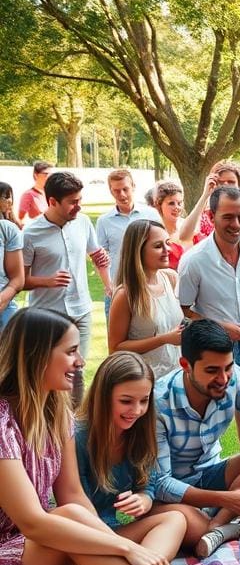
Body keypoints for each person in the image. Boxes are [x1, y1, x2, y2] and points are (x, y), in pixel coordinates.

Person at [0, 308, 240, 565]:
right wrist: (127, 548)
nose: (80, 362)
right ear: (37, 355)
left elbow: (73, 495)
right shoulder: (4, 423)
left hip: (36, 548)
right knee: (67, 515)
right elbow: (34, 522)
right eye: (71, 351)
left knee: (164, 516)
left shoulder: (56, 413)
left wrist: (117, 544)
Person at [74, 352, 204, 565]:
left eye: (144, 401)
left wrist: (144, 499)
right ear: (103, 396)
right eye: (126, 401)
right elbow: (75, 502)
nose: (136, 410)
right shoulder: (78, 436)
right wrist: (125, 546)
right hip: (88, 539)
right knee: (181, 520)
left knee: (176, 518)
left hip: (120, 532)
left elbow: (150, 482)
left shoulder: (138, 430)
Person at [151, 319, 240, 558]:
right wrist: (227, 499)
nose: (223, 378)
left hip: (212, 474)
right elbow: (161, 484)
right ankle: (226, 526)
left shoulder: (235, 378)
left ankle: (218, 527)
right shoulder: (157, 402)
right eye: (212, 371)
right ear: (185, 365)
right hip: (173, 495)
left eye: (228, 367)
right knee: (185, 525)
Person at [178, 185, 240, 450]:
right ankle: (201, 469)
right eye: (228, 217)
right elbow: (182, 309)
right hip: (208, 352)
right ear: (211, 216)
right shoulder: (194, 260)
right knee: (204, 415)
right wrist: (222, 329)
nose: (236, 223)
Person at [22, 171, 111, 405]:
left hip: (81, 311)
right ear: (52, 202)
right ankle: (45, 425)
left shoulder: (82, 223)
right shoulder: (30, 233)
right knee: (46, 374)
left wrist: (108, 284)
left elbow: (97, 255)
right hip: (48, 315)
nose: (79, 207)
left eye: (80, 200)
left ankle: (71, 427)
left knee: (77, 371)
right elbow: (20, 280)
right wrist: (47, 281)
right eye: (73, 202)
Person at [108, 220, 184, 379]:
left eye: (167, 243)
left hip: (176, 376)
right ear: (138, 251)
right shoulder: (126, 295)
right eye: (158, 246)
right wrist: (164, 339)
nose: (167, 250)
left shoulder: (171, 278)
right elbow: (115, 349)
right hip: (144, 380)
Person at [95, 168, 161, 319]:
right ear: (111, 191)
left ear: (133, 187)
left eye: (125, 189)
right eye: (117, 191)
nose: (122, 195)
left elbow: (160, 246)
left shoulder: (150, 215)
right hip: (117, 289)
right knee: (117, 340)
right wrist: (108, 285)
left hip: (147, 287)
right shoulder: (104, 221)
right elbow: (100, 257)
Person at [179, 160, 240, 244]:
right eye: (220, 182)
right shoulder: (204, 207)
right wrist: (205, 195)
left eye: (231, 182)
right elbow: (184, 236)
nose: (226, 185)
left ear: (239, 185)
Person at [147, 180, 188, 270]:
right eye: (171, 203)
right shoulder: (154, 232)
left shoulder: (188, 226)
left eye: (179, 203)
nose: (177, 207)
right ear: (159, 205)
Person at [0, 182, 24, 330]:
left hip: (5, 308)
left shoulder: (7, 229)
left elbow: (18, 279)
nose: (9, 201)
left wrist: (2, 300)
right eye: (5, 196)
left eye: (10, 197)